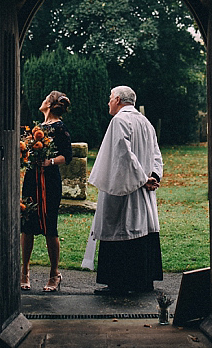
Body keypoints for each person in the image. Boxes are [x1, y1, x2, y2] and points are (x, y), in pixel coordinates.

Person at [82, 85, 164, 294]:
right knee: (140, 228)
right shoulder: (145, 122)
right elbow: (156, 153)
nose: (108, 102)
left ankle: (119, 283)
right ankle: (142, 280)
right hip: (142, 187)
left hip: (125, 188)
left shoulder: (119, 120)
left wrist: (143, 179)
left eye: (110, 98)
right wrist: (153, 176)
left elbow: (123, 155)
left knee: (122, 228)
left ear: (118, 99)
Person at [20, 91, 73, 292]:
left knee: (50, 225)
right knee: (27, 223)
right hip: (32, 179)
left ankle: (54, 274)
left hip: (49, 182)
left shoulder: (60, 128)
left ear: (50, 104)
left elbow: (66, 156)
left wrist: (49, 161)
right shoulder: (37, 128)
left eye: (45, 99)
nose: (41, 101)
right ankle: (24, 271)